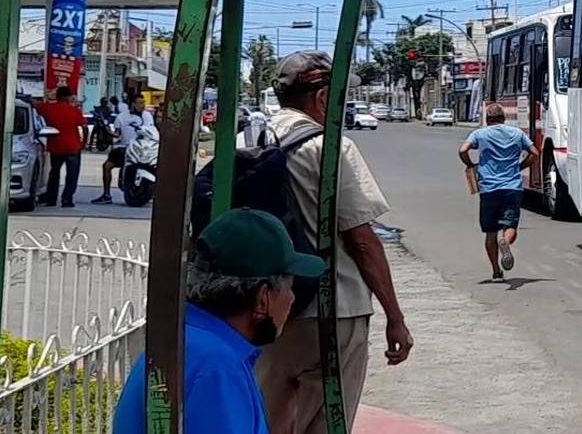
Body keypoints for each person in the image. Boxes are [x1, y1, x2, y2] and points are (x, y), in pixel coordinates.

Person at [258, 50, 413, 434]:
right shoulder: (330, 147)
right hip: (334, 307)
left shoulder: (252, 135)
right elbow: (361, 239)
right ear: (322, 98)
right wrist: (395, 317)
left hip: (271, 306)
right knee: (328, 421)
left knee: (273, 420)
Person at [113, 208, 326, 434]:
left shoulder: (188, 337)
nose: (292, 298)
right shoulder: (218, 367)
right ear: (262, 300)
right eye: (289, 287)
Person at [458, 102, 541, 281]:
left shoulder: (479, 134)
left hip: (488, 188)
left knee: (490, 232)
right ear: (503, 118)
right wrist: (520, 166)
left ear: (487, 120)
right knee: (510, 225)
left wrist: (469, 164)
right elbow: (535, 152)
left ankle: (496, 271)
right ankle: (506, 242)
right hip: (512, 187)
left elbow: (463, 149)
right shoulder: (517, 133)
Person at [94, 94, 154, 204]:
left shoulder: (147, 116)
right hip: (126, 148)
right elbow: (117, 134)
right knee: (107, 166)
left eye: (143, 102)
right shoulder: (121, 117)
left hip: (142, 149)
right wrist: (108, 132)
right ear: (132, 104)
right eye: (139, 103)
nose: (142, 105)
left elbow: (150, 131)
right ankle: (106, 194)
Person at [34, 86, 88, 208]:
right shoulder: (74, 110)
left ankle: (51, 199)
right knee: (72, 175)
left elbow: (35, 106)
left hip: (56, 146)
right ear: (66, 97)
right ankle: (67, 199)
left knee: (54, 174)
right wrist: (84, 142)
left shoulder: (48, 109)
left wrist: (48, 97)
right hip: (73, 147)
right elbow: (84, 127)